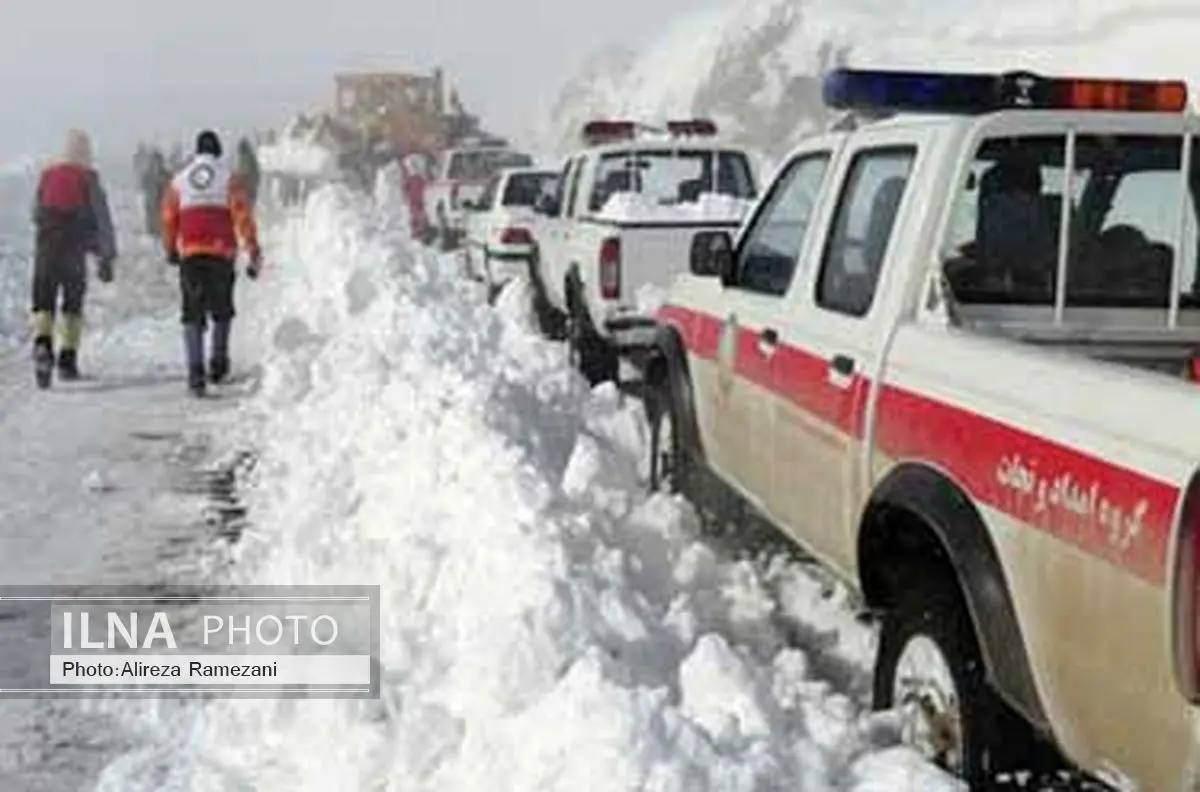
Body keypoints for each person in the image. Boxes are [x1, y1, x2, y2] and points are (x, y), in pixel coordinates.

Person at [161, 130, 262, 397]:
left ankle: (195, 372)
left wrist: (171, 248)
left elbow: (169, 217)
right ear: (217, 152)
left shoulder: (179, 181)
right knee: (221, 309)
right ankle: (218, 363)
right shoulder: (230, 178)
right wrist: (252, 249)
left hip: (191, 253)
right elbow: (242, 216)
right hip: (221, 253)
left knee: (191, 312)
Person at [30, 128, 117, 388]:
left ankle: (43, 345)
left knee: (43, 302)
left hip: (46, 247)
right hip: (73, 249)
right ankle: (67, 360)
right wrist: (106, 256)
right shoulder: (88, 178)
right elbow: (102, 219)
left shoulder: (47, 175)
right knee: (71, 304)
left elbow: (35, 212)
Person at [139, 148, 169, 236]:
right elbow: (143, 185)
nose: (157, 164)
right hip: (151, 202)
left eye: (158, 161)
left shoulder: (166, 174)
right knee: (152, 223)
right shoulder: (148, 174)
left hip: (162, 202)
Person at [234, 137, 261, 207]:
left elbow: (244, 171)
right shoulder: (250, 156)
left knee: (248, 203)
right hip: (250, 184)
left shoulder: (245, 157)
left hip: (248, 185)